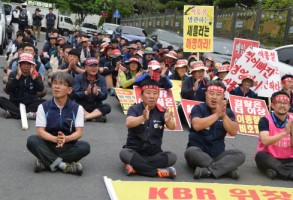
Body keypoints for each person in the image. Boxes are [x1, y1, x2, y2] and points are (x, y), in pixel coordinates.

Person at [26, 72, 90, 175]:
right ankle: (63, 165)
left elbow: (79, 132)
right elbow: (40, 131)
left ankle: (46, 162)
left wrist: (66, 138)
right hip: (48, 144)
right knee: (32, 141)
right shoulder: (43, 107)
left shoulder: (77, 108)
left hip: (68, 145)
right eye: (55, 83)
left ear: (69, 90)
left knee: (84, 147)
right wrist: (55, 139)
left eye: (61, 84)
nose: (56, 86)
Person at [185, 80, 246, 179]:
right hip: (199, 154)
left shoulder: (228, 112)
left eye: (218, 94)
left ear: (223, 97)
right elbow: (196, 125)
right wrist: (217, 115)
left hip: (218, 155)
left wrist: (224, 115)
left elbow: (233, 132)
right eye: (211, 93)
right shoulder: (198, 108)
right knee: (191, 151)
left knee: (240, 155)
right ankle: (224, 170)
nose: (214, 97)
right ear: (206, 94)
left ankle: (208, 172)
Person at [119, 79, 177, 179]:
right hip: (134, 152)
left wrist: (168, 121)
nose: (152, 96)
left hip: (154, 154)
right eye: (148, 93)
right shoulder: (134, 109)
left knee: (172, 156)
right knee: (124, 153)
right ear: (141, 95)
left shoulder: (162, 111)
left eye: (155, 93)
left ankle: (136, 168)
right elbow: (128, 123)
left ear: (158, 96)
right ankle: (157, 172)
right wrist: (142, 118)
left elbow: (172, 127)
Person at [255, 91, 293, 180]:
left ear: (289, 106)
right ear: (272, 105)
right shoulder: (265, 120)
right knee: (260, 156)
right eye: (279, 102)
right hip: (270, 158)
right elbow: (265, 141)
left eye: (285, 103)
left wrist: (291, 133)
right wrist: (284, 133)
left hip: (289, 159)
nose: (282, 105)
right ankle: (288, 174)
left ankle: (278, 172)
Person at [0, 53, 46, 119]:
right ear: (19, 65)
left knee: (45, 102)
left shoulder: (36, 75)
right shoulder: (13, 74)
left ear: (32, 65)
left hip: (30, 102)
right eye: (24, 63)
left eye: (29, 64)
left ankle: (13, 113)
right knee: (1, 99)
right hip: (15, 102)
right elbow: (8, 89)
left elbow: (41, 89)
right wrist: (17, 77)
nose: (26, 66)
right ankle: (28, 114)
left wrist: (34, 78)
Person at [73, 57, 111, 122]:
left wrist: (98, 94)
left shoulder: (101, 78)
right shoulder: (78, 78)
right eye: (91, 66)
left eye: (95, 66)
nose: (94, 68)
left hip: (95, 106)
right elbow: (74, 94)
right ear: (85, 67)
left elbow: (105, 95)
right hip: (82, 105)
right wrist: (85, 93)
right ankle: (94, 117)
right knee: (72, 105)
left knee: (107, 107)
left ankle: (86, 117)